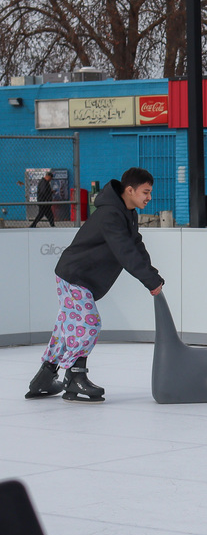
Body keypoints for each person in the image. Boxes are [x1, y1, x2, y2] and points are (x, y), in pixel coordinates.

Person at [25, 167, 164, 403]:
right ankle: (75, 377)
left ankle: (45, 377)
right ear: (130, 190)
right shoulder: (111, 215)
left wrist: (153, 276)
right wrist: (149, 280)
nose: (149, 197)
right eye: (146, 192)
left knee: (67, 325)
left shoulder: (127, 213)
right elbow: (125, 251)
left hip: (80, 277)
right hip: (75, 276)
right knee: (88, 323)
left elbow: (136, 245)